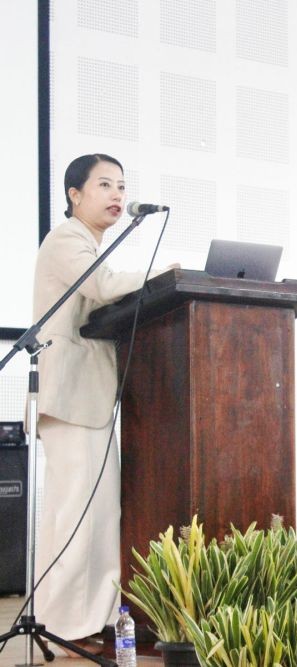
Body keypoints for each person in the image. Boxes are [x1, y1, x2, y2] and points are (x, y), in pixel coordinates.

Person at [33, 154, 174, 648]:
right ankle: (67, 626)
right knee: (77, 517)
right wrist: (166, 273)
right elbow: (104, 286)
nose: (117, 195)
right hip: (72, 398)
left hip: (86, 398)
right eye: (105, 185)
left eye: (122, 185)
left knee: (89, 518)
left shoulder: (88, 244)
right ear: (75, 195)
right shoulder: (69, 240)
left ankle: (77, 620)